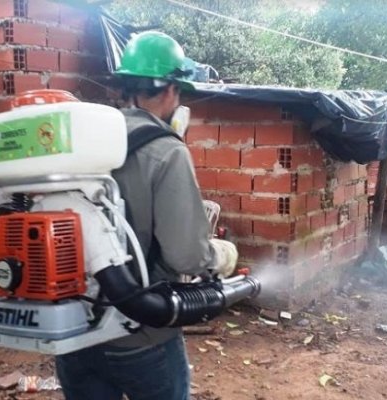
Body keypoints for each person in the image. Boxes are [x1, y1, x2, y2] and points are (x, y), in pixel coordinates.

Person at [55, 31, 238, 400]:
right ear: (171, 89)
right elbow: (185, 256)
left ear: (127, 87)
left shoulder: (84, 141)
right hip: (141, 336)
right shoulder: (167, 151)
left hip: (72, 332)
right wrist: (222, 254)